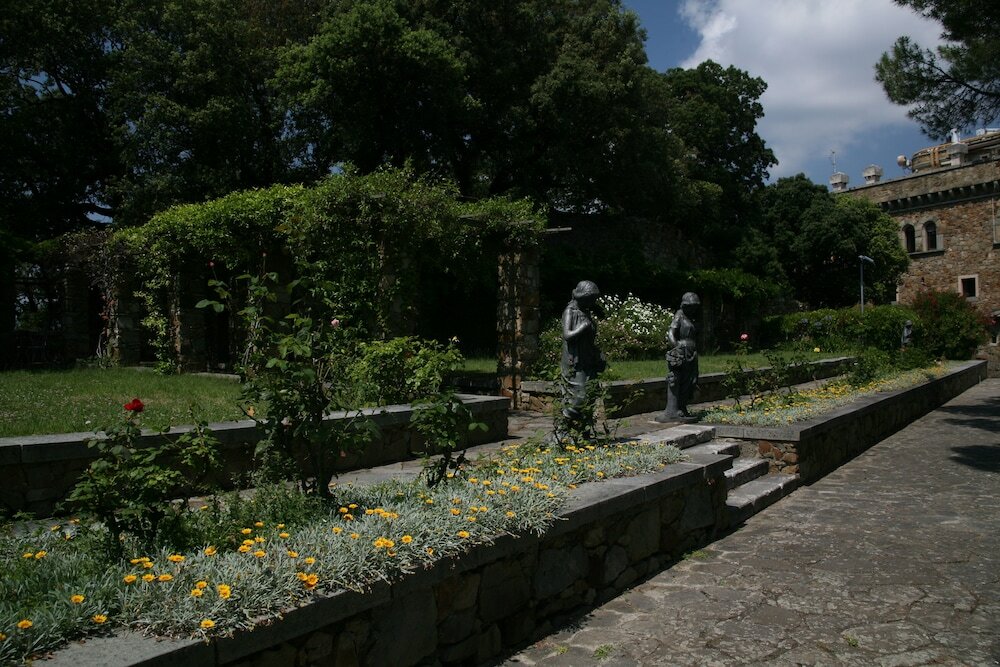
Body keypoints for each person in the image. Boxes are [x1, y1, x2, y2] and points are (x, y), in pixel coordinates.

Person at [555, 280, 606, 443]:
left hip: (587, 359)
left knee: (590, 395)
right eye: (591, 299)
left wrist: (598, 354)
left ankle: (582, 431)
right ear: (582, 297)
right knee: (580, 397)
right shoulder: (570, 311)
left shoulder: (586, 311)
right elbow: (567, 335)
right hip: (574, 360)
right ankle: (562, 428)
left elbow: (589, 340)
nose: (593, 302)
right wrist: (583, 327)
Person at [656, 292, 700, 422]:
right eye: (690, 306)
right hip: (683, 350)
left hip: (692, 352)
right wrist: (676, 348)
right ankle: (675, 409)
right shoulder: (680, 315)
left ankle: (682, 406)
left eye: (694, 307)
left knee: (691, 380)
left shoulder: (691, 318)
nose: (692, 309)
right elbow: (671, 332)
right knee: (679, 379)